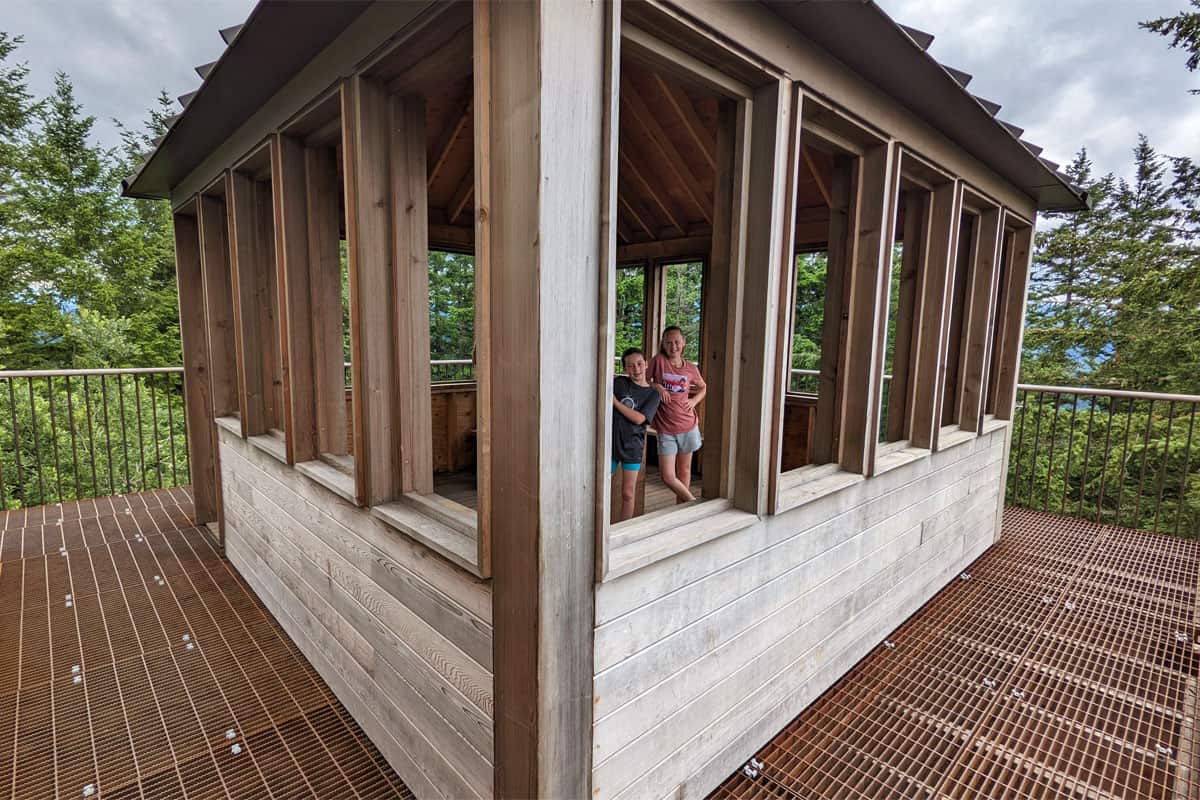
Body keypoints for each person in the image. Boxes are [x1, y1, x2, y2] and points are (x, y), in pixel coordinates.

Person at [648, 326, 706, 503]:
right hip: (666, 428)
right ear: (663, 345)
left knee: (685, 471)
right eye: (668, 342)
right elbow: (643, 381)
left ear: (683, 343)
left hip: (688, 425)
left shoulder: (690, 368)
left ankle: (681, 510)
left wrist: (694, 401)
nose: (673, 346)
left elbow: (703, 387)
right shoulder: (658, 361)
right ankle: (692, 502)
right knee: (667, 475)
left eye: (677, 342)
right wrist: (656, 386)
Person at [611, 347, 661, 522]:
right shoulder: (619, 383)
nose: (636, 369)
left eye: (639, 364)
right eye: (630, 366)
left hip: (633, 446)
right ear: (625, 369)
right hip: (610, 444)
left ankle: (624, 529)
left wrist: (616, 403)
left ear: (646, 364)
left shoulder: (653, 393)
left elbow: (640, 418)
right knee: (599, 486)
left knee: (627, 492)